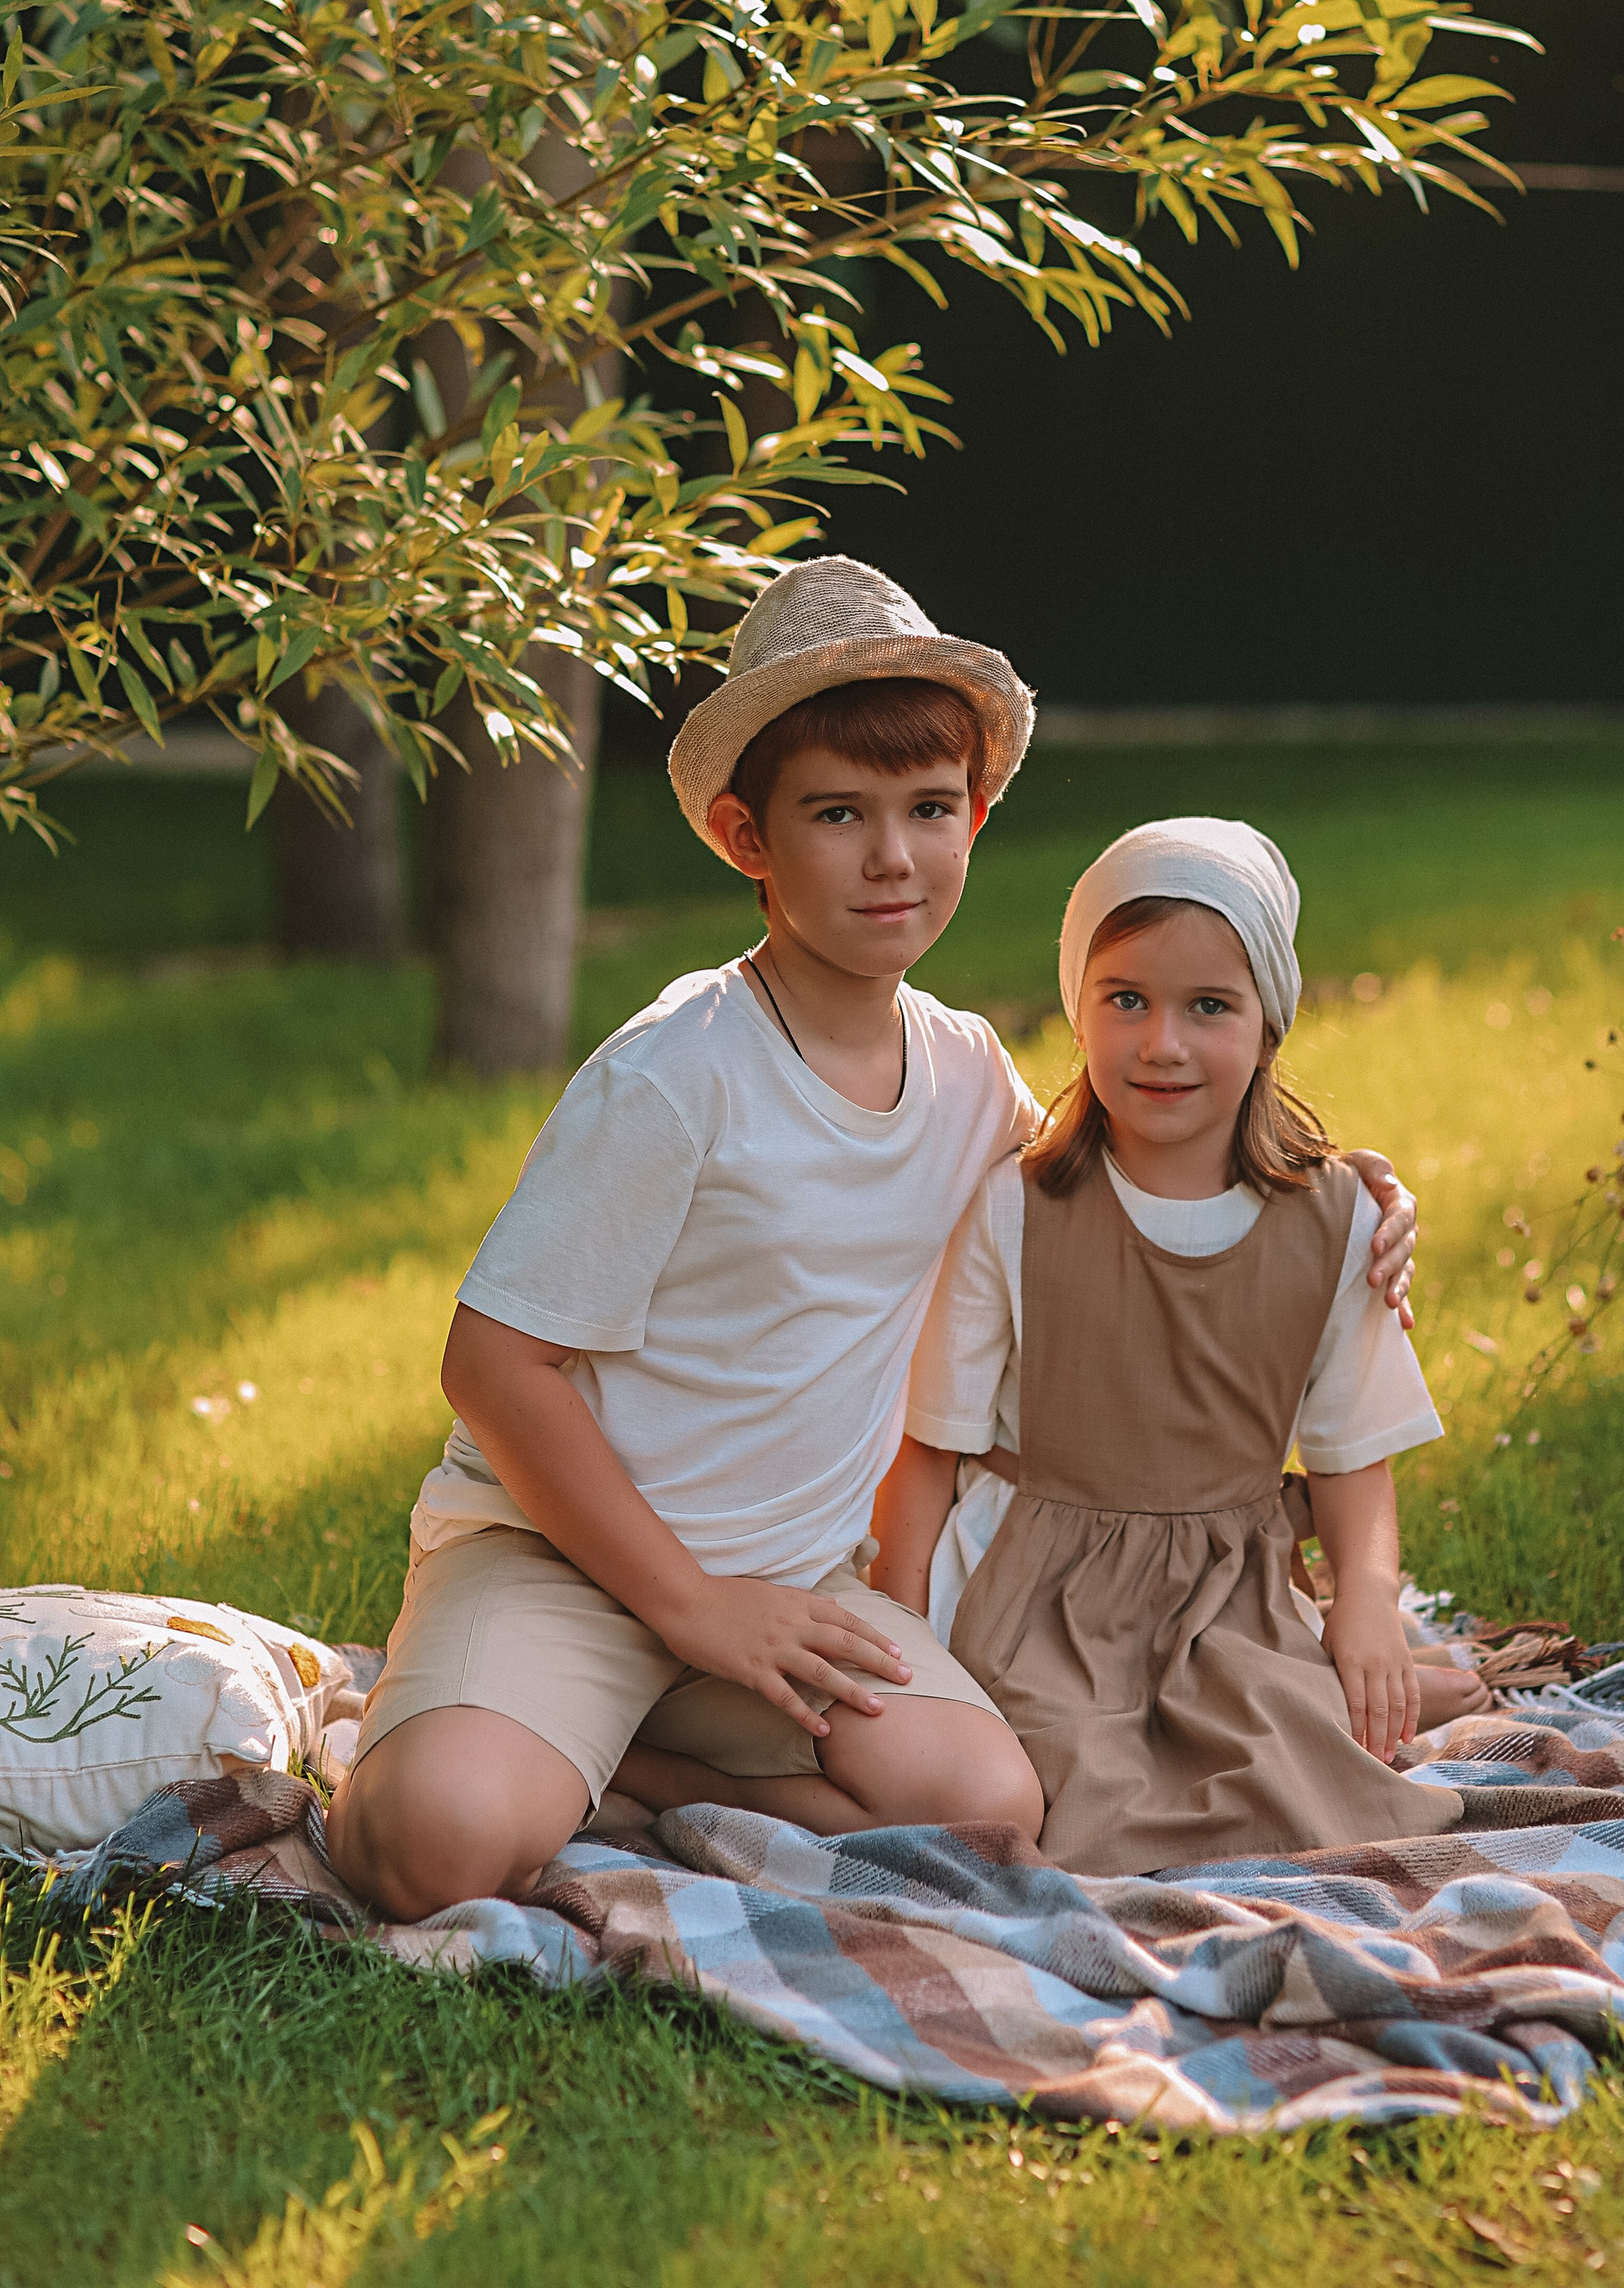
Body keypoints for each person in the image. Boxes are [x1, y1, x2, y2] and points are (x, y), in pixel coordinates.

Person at [328, 562, 1420, 1920]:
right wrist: (690, 1606)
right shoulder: (677, 1075)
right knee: (432, 1848)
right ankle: (462, 1723)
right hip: (564, 1555)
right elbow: (494, 1367)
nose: (892, 857)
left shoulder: (966, 1077)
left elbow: (1130, 1181)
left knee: (989, 1805)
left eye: (929, 810)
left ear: (975, 818)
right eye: (838, 813)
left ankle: (641, 1778)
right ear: (745, 836)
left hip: (792, 1584)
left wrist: (1340, 1192)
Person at [871, 818, 1475, 1874]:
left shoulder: (1336, 1223)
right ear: (1079, 1008)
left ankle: (1351, 1672)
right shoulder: (1017, 1207)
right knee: (1079, 1791)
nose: (1162, 1044)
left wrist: (1370, 1602)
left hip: (1228, 1588)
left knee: (1296, 1776)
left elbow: (1351, 1459)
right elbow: (929, 1452)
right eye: (1126, 1001)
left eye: (1209, 1007)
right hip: (1039, 1592)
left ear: (1269, 1026)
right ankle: (1335, 1689)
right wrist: (906, 1638)